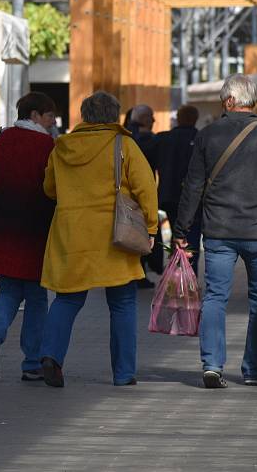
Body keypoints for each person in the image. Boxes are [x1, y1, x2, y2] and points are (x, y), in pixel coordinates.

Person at [172, 74, 257, 389]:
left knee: (216, 296)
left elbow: (192, 185)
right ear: (252, 102)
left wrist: (182, 229)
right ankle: (253, 370)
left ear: (230, 101)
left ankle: (212, 365)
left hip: (218, 231)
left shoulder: (207, 135)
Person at [39, 91, 158, 388]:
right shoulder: (124, 144)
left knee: (67, 298)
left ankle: (51, 356)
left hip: (71, 231)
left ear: (84, 115)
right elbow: (146, 188)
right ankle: (124, 372)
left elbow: (49, 188)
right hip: (115, 233)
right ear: (115, 116)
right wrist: (152, 228)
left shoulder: (62, 147)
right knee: (122, 302)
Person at [0, 92, 56, 382]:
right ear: (35, 115)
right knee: (36, 297)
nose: (52, 122)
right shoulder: (46, 145)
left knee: (9, 292)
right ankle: (32, 361)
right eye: (50, 116)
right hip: (34, 233)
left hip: (1, 230)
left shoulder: (3, 139)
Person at [153, 105, 202, 275]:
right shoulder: (200, 138)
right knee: (191, 241)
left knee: (171, 237)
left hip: (167, 196)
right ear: (195, 118)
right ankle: (188, 278)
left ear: (178, 118)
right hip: (192, 199)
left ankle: (173, 274)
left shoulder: (163, 138)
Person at [125, 103, 161, 285]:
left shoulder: (123, 135)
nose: (154, 120)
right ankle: (138, 275)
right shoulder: (147, 139)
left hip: (123, 195)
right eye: (151, 116)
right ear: (144, 119)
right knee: (142, 234)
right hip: (138, 194)